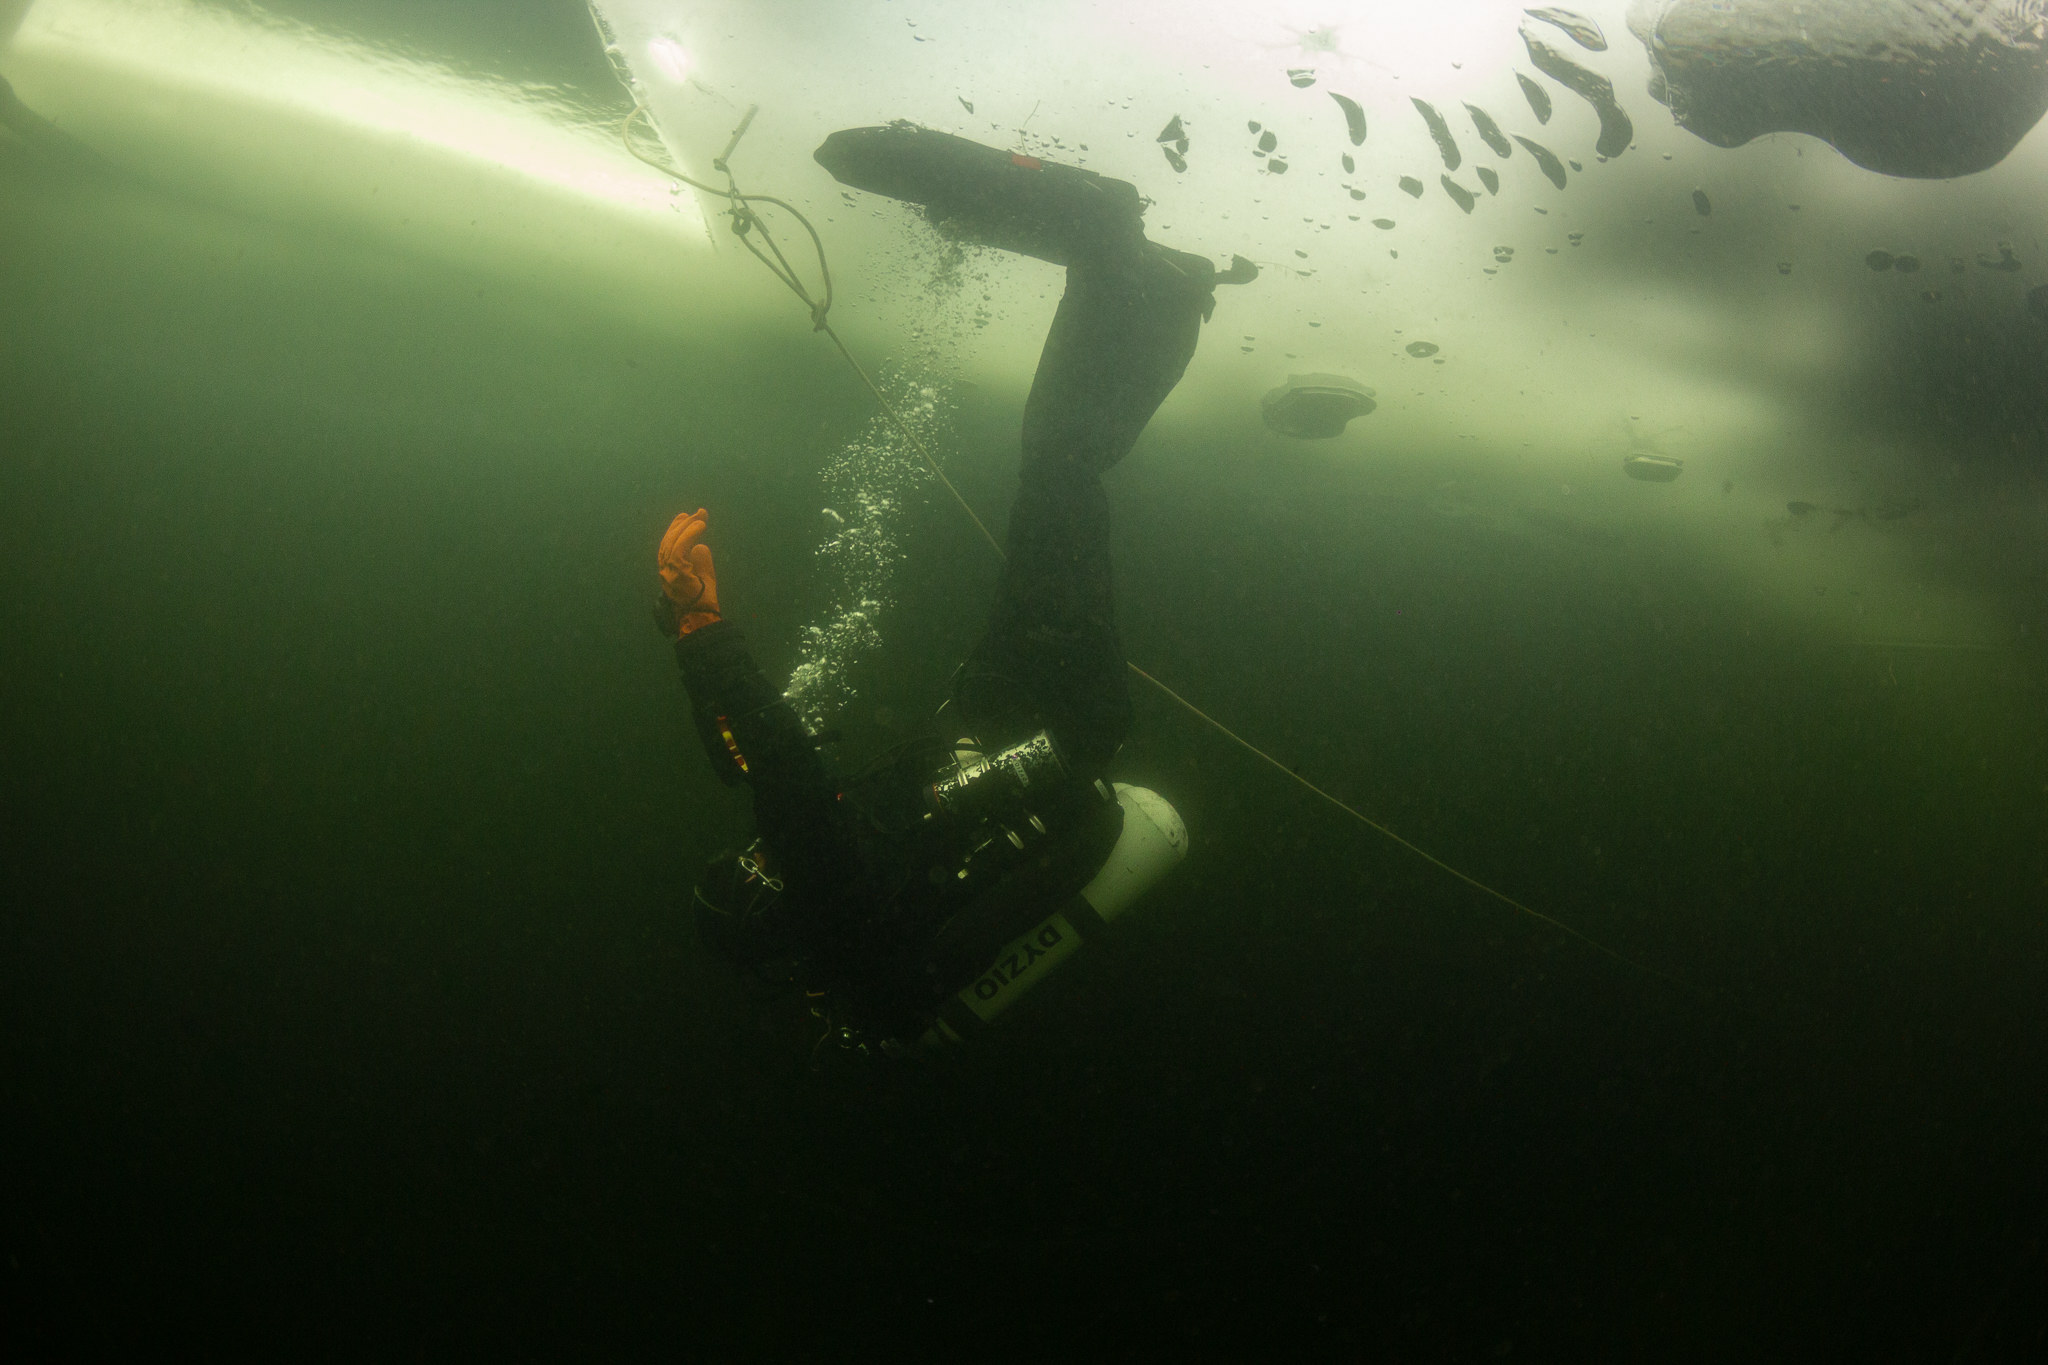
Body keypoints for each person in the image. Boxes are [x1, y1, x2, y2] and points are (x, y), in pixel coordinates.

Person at [656, 123, 1252, 1054]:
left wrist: (700, 668)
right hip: (1059, 717)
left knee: (1052, 474)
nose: (760, 855)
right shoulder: (837, 899)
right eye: (755, 875)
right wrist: (701, 627)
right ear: (776, 913)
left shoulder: (847, 935)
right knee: (1058, 469)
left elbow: (749, 755)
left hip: (1005, 714)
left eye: (745, 858)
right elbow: (783, 773)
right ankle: (1121, 259)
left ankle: (1146, 285)